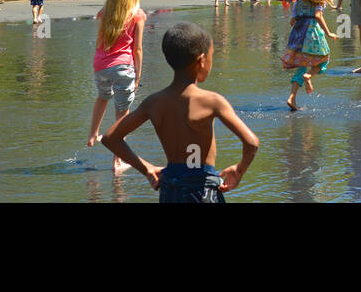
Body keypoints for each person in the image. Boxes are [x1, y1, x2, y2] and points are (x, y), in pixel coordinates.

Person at [100, 23, 260, 202]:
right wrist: (239, 170)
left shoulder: (154, 102)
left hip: (170, 189)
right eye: (211, 56)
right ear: (201, 60)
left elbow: (110, 138)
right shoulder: (212, 101)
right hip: (203, 190)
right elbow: (251, 143)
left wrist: (147, 169)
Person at [89, 0, 146, 171]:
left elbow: (99, 42)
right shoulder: (137, 15)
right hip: (123, 67)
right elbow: (137, 49)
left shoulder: (104, 12)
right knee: (122, 113)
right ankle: (118, 160)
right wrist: (138, 75)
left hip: (101, 65)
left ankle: (93, 134)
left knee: (103, 96)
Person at [282, 0, 337, 110]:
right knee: (324, 59)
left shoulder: (299, 1)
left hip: (298, 35)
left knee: (302, 65)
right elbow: (318, 16)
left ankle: (292, 98)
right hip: (312, 34)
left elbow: (292, 21)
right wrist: (329, 32)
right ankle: (309, 76)